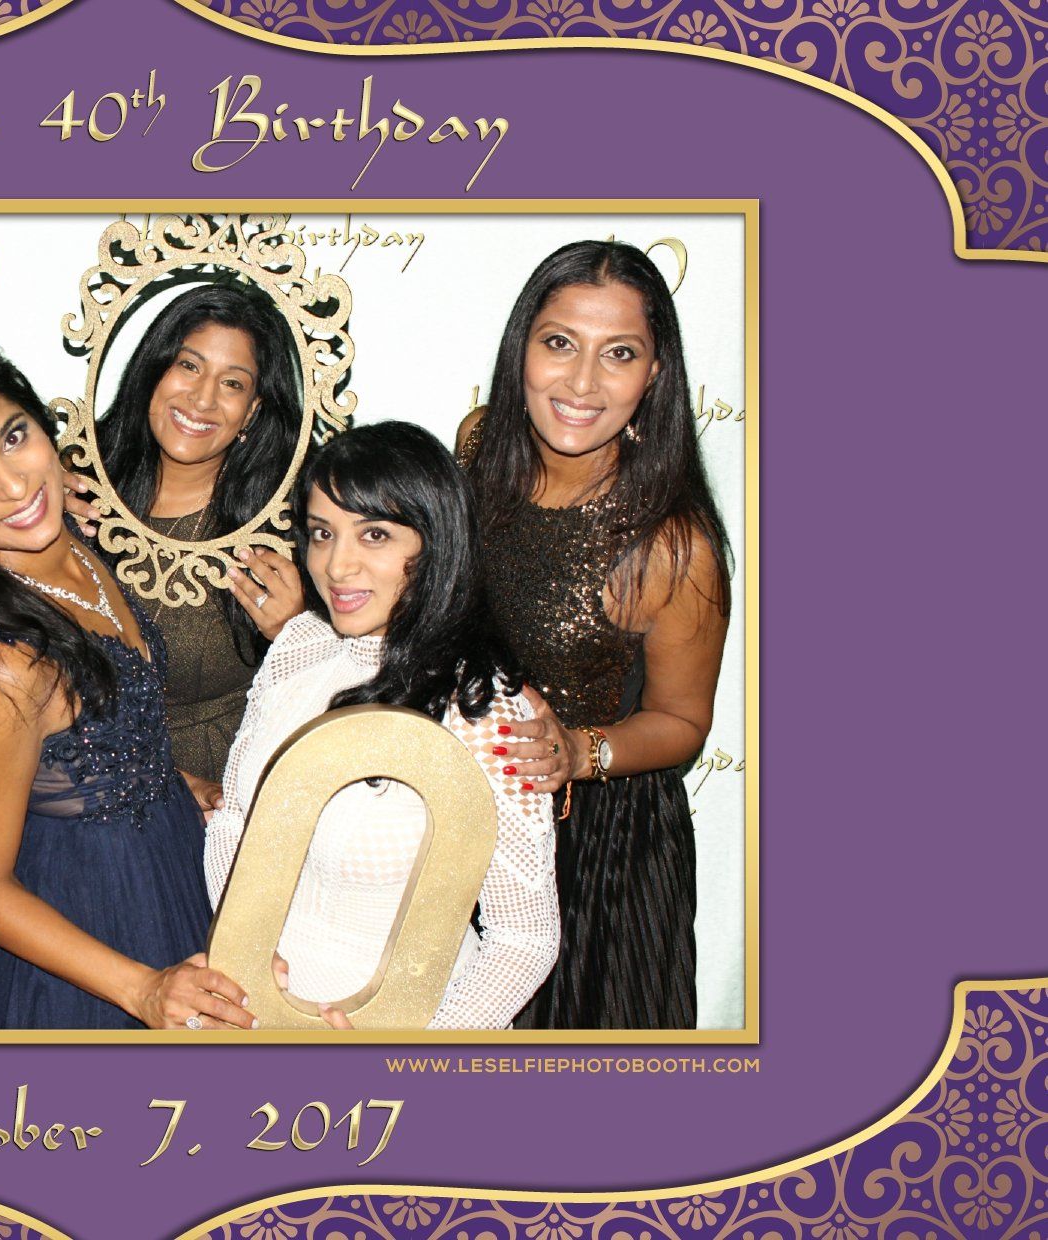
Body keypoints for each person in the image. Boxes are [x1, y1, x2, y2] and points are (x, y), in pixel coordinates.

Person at [0, 333, 254, 1030]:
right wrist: (140, 990)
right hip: (80, 946)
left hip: (162, 872)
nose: (12, 484)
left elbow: (85, 740)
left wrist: (157, 776)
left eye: (14, 438)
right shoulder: (6, 664)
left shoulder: (71, 541)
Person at [456, 240, 732, 1030]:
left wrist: (581, 751)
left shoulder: (671, 544)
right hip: (469, 818)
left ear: (655, 375)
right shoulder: (477, 447)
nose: (581, 382)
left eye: (618, 354)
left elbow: (682, 724)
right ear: (522, 352)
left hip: (602, 855)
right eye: (559, 344)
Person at [204, 423, 558, 1029]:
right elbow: (233, 821)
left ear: (435, 542)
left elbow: (523, 937)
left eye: (374, 534)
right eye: (321, 534)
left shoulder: (482, 709)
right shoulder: (299, 648)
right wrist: (248, 969)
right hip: (249, 1013)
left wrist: (416, 1056)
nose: (337, 565)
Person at [67, 281, 310, 786]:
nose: (202, 399)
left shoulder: (284, 529)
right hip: (75, 780)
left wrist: (300, 634)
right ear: (154, 371)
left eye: (233, 383)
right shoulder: (74, 487)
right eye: (189, 365)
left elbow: (344, 688)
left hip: (217, 805)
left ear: (254, 411)